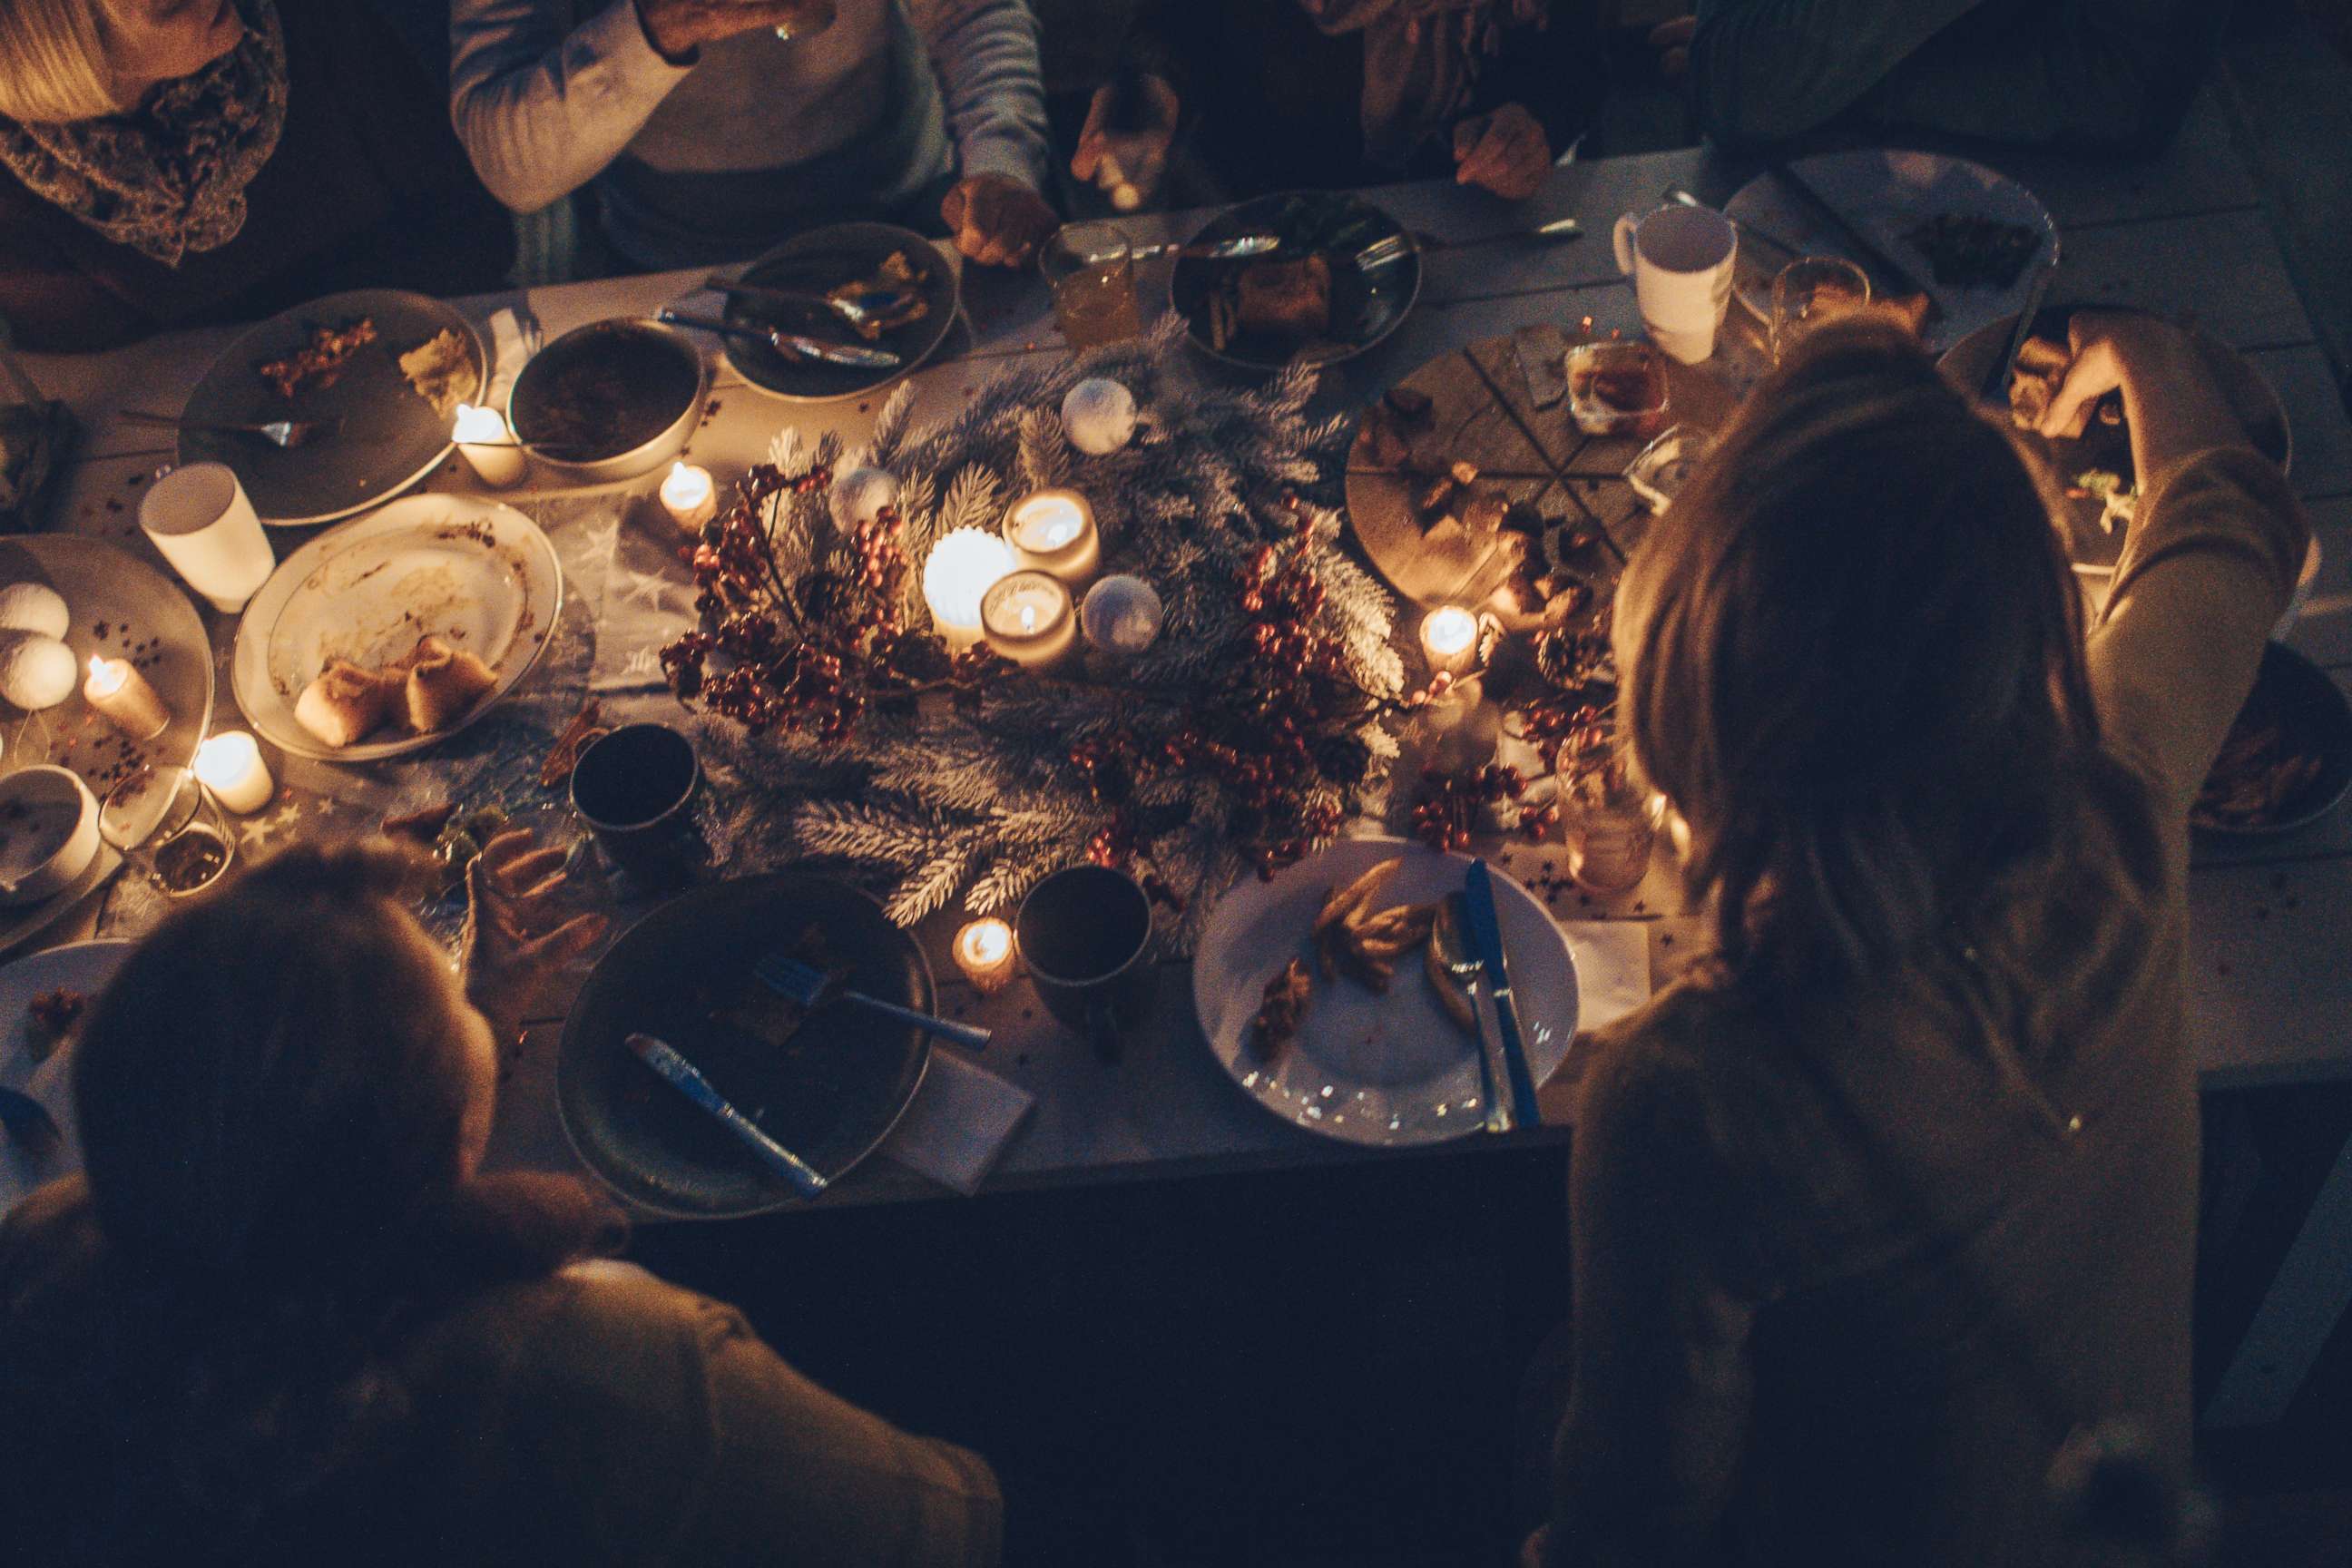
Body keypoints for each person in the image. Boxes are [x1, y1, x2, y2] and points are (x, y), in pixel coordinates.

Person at [1532, 315, 2308, 1564]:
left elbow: (1632, 1523)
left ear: (1692, 686)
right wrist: (2147, 347)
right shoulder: (2120, 804)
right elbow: (2239, 522)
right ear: (2037, 633)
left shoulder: (1688, 1099)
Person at [0, 837, 1003, 1567]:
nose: (456, 997)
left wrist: (469, 1018)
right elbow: (945, 1522)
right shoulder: (619, 1381)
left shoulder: (48, 1248)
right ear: (432, 1128)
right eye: (436, 1000)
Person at [0, 0, 512, 352]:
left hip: (431, 349)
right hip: (241, 445)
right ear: (73, 64)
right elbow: (96, 366)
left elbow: (475, 224)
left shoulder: (306, 21)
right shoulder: (27, 182)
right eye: (172, 3)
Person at [450, 0, 1057, 273]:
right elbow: (509, 163)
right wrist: (660, 26)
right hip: (676, 265)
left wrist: (999, 160)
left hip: (911, 217)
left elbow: (974, 14)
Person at [1071, 0, 1602, 211]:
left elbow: (1576, 53)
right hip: (1279, 230)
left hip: (1478, 236)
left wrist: (1537, 128)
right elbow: (1174, 26)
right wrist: (1154, 91)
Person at [1649, 0, 2226, 152]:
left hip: (2082, 221)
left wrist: (1848, 82)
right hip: (1787, 217)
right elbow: (1731, 83)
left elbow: (2132, 95)